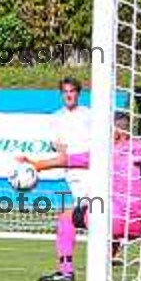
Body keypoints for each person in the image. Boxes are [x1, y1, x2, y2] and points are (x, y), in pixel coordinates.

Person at [18, 112, 141, 281]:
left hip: (119, 219)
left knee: (66, 218)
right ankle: (103, 270)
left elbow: (68, 160)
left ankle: (65, 273)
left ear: (116, 132)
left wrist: (37, 165)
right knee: (106, 213)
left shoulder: (109, 152)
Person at [50, 77, 92, 209]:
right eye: (65, 92)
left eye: (72, 91)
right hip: (71, 168)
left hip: (90, 166)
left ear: (78, 93)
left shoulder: (89, 114)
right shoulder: (56, 117)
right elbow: (54, 143)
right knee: (84, 204)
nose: (68, 95)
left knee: (90, 204)